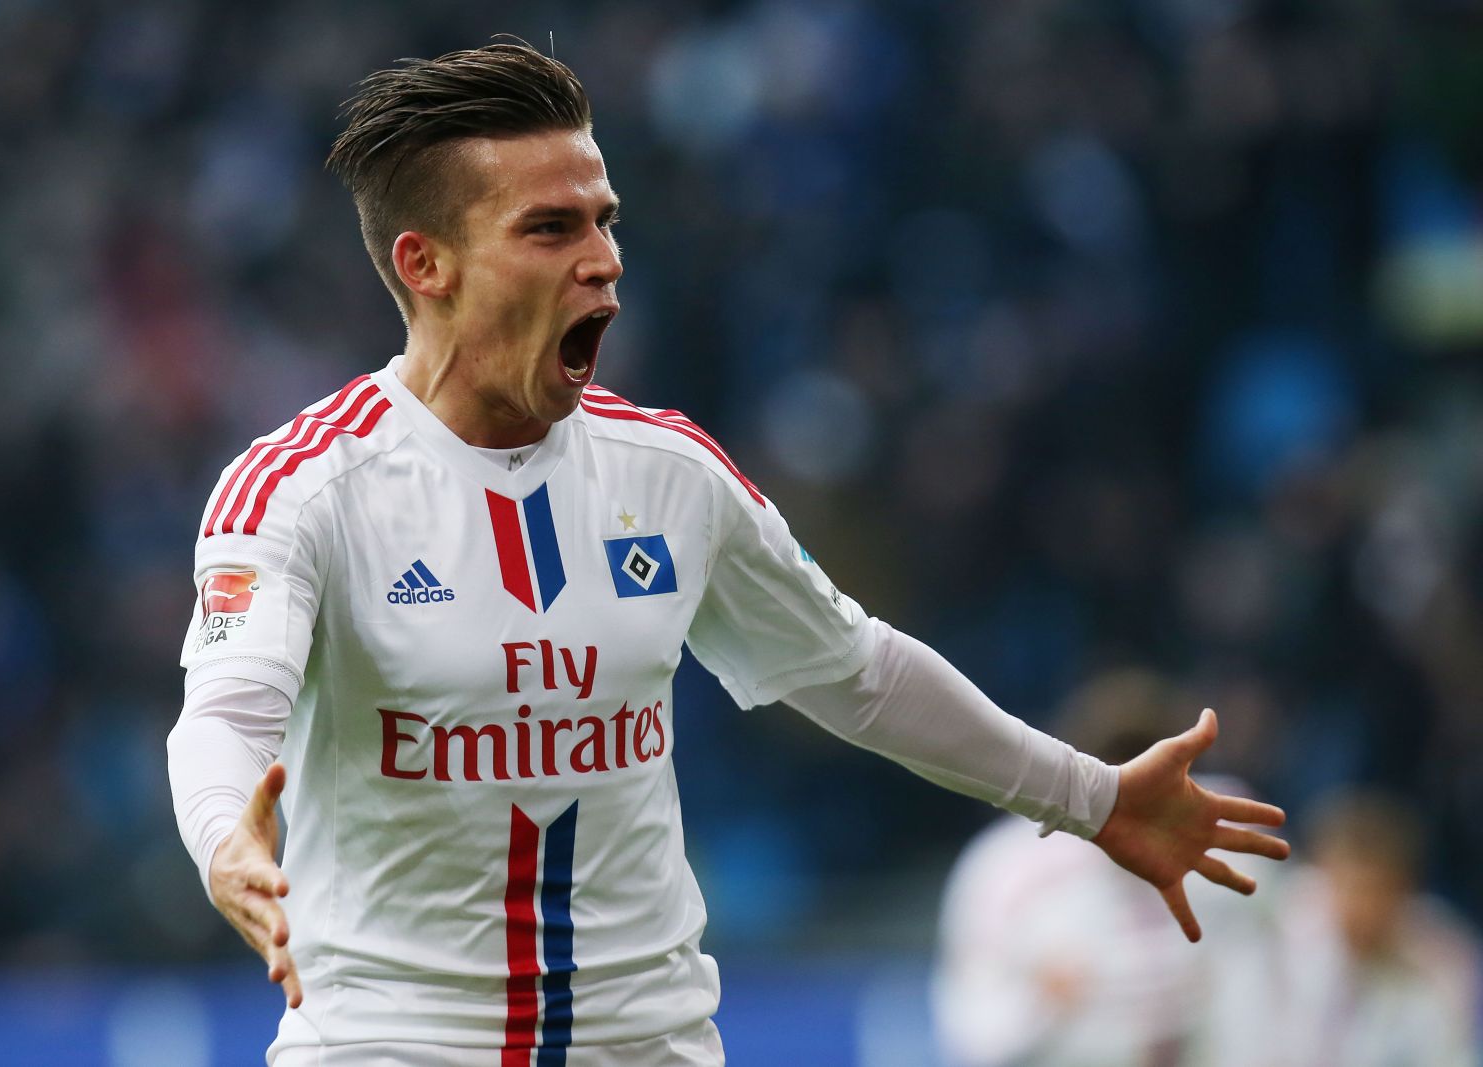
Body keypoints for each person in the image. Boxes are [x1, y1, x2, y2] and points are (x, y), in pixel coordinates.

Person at [165, 42, 1289, 1066]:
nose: (604, 261)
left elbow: (857, 671)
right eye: (551, 229)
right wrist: (227, 842)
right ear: (427, 264)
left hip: (647, 1045)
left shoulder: (671, 474)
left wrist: (1093, 796)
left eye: (605, 221)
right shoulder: (302, 489)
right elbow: (223, 715)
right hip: (390, 1045)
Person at [931, 670, 1291, 1067]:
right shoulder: (1008, 868)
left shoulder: (1231, 833)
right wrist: (1040, 1005)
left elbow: (1297, 962)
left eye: (1152, 775)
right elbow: (971, 1029)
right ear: (1079, 772)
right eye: (1115, 776)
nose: (1135, 801)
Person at [1273, 791, 1480, 1067]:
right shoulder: (1274, 930)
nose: (1363, 907)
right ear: (1324, 874)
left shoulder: (1443, 963)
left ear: (1405, 890)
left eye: (1376, 891)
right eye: (1351, 887)